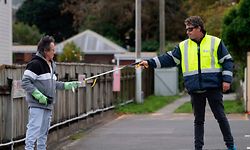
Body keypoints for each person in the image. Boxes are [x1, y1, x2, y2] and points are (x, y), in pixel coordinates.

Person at [139, 16, 236, 150]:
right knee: (198, 121)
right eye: (186, 30)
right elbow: (169, 59)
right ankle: (198, 148)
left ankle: (230, 146)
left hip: (213, 87)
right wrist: (149, 63)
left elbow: (227, 61)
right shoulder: (183, 46)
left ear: (199, 28)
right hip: (195, 89)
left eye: (190, 29)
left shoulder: (216, 42)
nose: (187, 32)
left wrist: (226, 80)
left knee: (220, 117)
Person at [21, 35, 79, 150]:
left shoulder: (52, 65)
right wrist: (39, 96)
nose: (54, 52)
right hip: (37, 105)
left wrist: (67, 85)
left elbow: (54, 84)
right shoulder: (35, 64)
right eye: (52, 50)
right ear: (45, 51)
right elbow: (25, 82)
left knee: (43, 135)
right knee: (33, 133)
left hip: (48, 105)